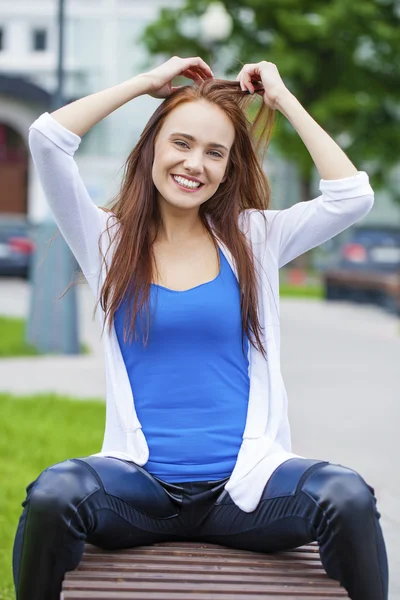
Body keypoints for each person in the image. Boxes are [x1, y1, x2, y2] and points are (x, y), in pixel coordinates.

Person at [13, 56, 388, 600]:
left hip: (248, 492)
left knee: (348, 497)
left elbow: (352, 197)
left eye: (215, 152)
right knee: (53, 495)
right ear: (152, 150)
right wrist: (145, 82)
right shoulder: (106, 241)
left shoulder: (255, 239)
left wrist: (281, 99)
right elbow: (48, 139)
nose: (195, 163)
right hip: (140, 491)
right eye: (181, 143)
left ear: (230, 167)